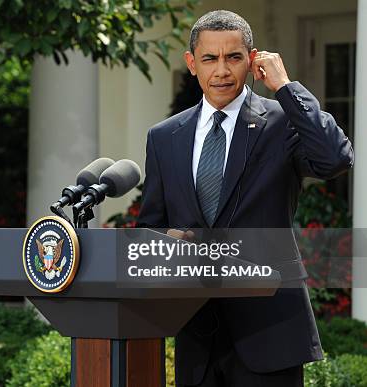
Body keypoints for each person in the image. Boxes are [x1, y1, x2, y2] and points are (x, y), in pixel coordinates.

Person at [138, 10, 353, 387]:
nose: (221, 70)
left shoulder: (282, 121)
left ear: (252, 61)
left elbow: (334, 158)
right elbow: (150, 226)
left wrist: (286, 87)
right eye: (210, 58)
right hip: (197, 335)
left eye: (233, 57)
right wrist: (165, 244)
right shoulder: (164, 136)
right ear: (192, 63)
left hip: (270, 331)